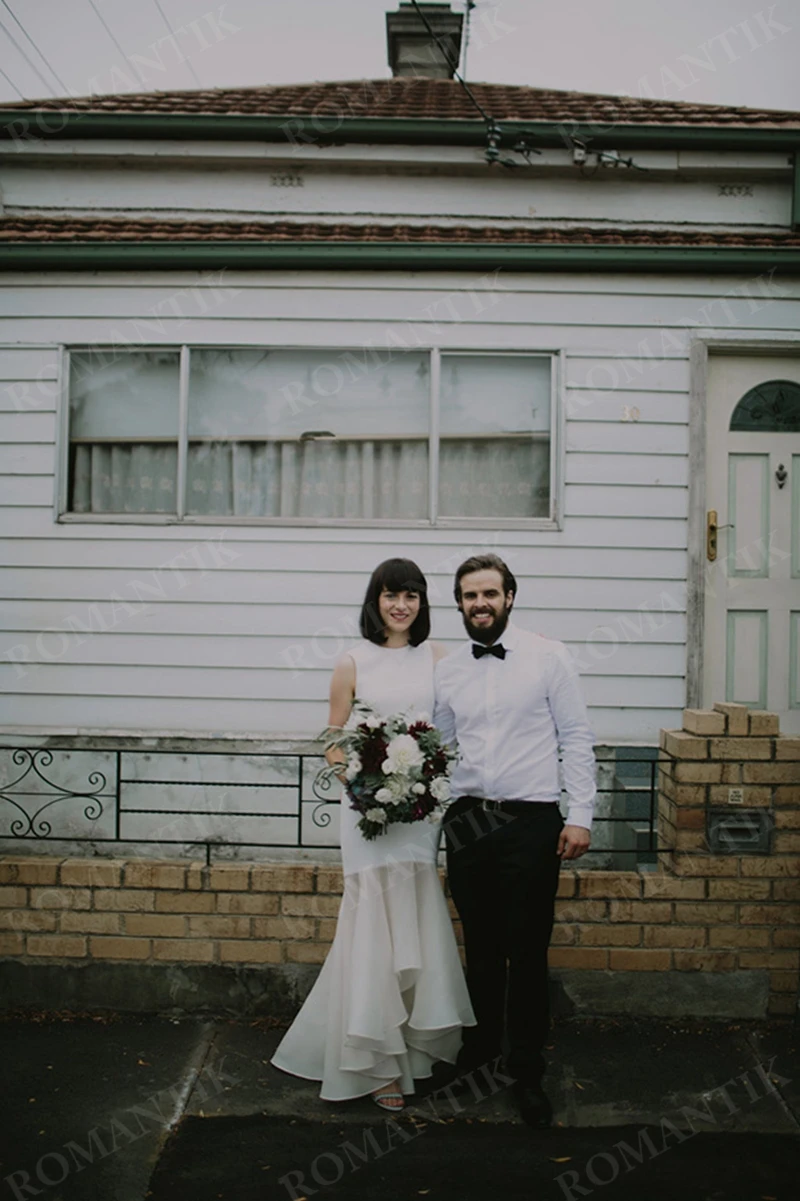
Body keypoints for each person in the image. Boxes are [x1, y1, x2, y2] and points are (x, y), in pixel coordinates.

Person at [271, 558, 475, 1111]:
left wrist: (421, 787)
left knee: (413, 910)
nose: (400, 605)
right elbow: (334, 740)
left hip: (418, 819)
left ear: (422, 602)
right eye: (391, 595)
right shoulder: (351, 661)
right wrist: (363, 786)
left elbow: (463, 715)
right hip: (367, 813)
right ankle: (375, 1063)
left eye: (411, 595)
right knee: (372, 919)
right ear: (375, 599)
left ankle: (414, 1050)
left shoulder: (438, 658)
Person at [432, 553, 595, 1128]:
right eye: (470, 596)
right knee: (479, 948)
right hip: (471, 821)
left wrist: (581, 815)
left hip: (532, 819)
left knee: (526, 950)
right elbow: (442, 752)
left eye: (490, 594)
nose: (480, 604)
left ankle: (525, 1072)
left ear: (509, 597)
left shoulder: (550, 658)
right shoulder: (449, 669)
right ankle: (477, 1059)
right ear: (458, 603)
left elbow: (575, 738)